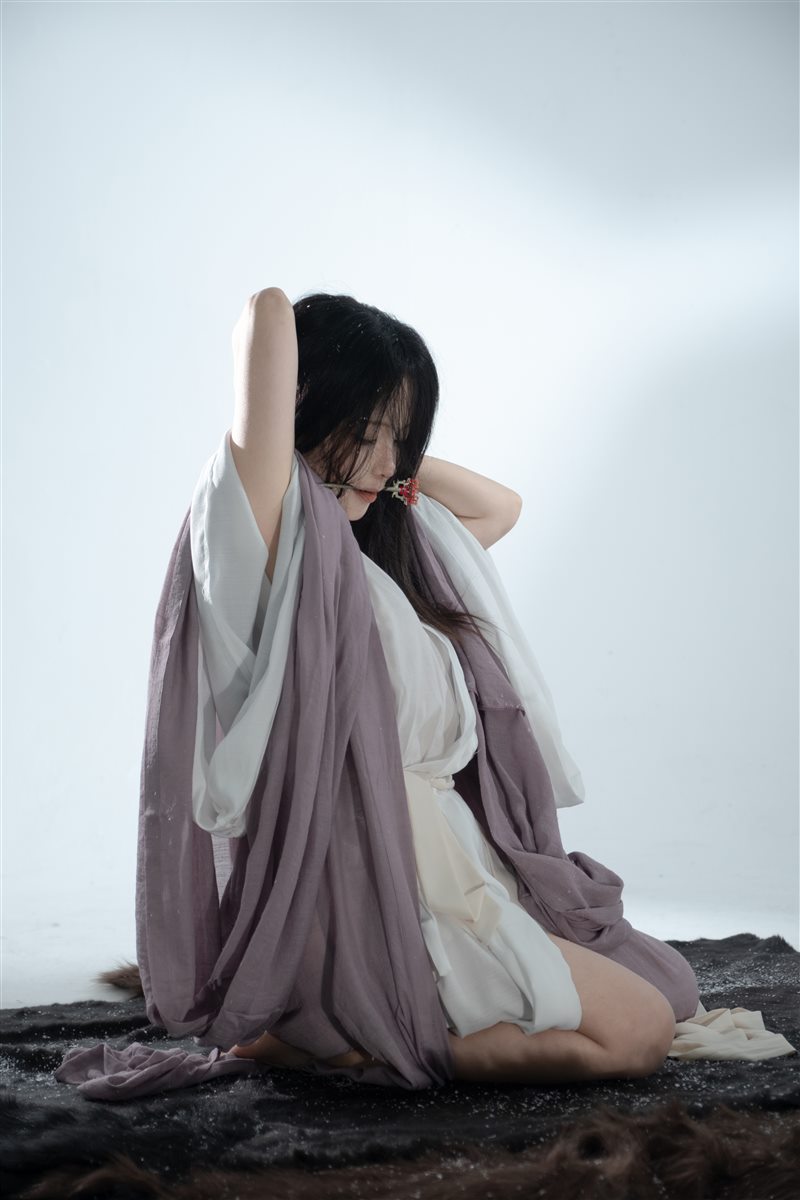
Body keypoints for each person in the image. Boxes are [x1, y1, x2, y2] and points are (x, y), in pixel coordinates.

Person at [205, 286, 692, 1084]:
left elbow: (501, 508)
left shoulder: (384, 558)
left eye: (402, 440)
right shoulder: (266, 535)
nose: (388, 462)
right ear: (303, 409)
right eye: (367, 431)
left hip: (446, 858)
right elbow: (266, 317)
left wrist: (381, 459)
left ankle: (332, 1032)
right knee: (637, 1033)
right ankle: (345, 1041)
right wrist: (330, 423)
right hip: (355, 872)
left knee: (666, 990)